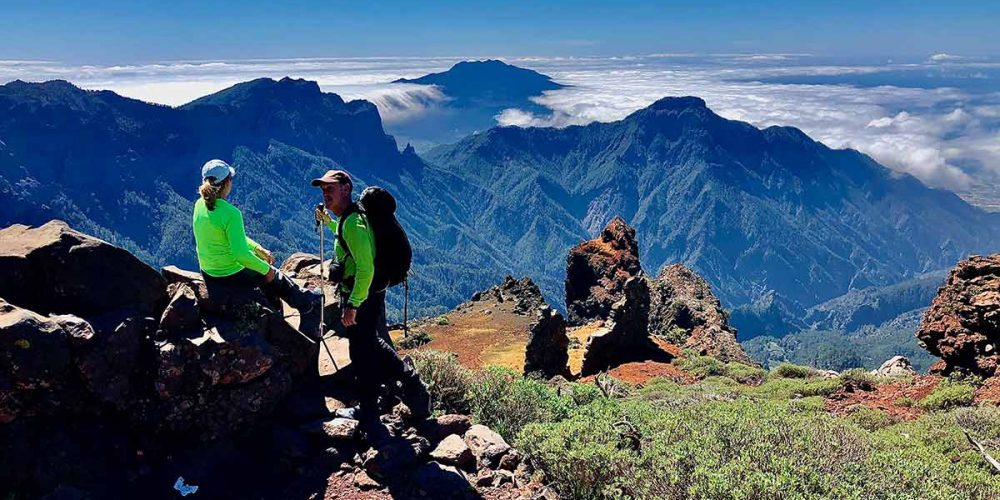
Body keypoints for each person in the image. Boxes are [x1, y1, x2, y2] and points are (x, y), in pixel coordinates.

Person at [312, 169, 431, 421]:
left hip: (362, 296)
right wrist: (329, 222)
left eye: (330, 188)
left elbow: (365, 267)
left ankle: (381, 404)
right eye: (323, 189)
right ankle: (404, 392)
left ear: (346, 189)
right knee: (368, 346)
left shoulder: (353, 222)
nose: (325, 193)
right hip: (365, 293)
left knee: (363, 353)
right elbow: (348, 239)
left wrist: (353, 304)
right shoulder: (349, 219)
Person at [192, 159, 320, 317]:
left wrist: (257, 248)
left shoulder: (199, 205)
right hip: (230, 274)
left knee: (261, 269)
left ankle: (274, 309)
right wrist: (267, 269)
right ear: (227, 183)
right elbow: (241, 255)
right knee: (272, 273)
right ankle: (306, 302)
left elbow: (229, 238)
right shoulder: (231, 214)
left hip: (209, 272)